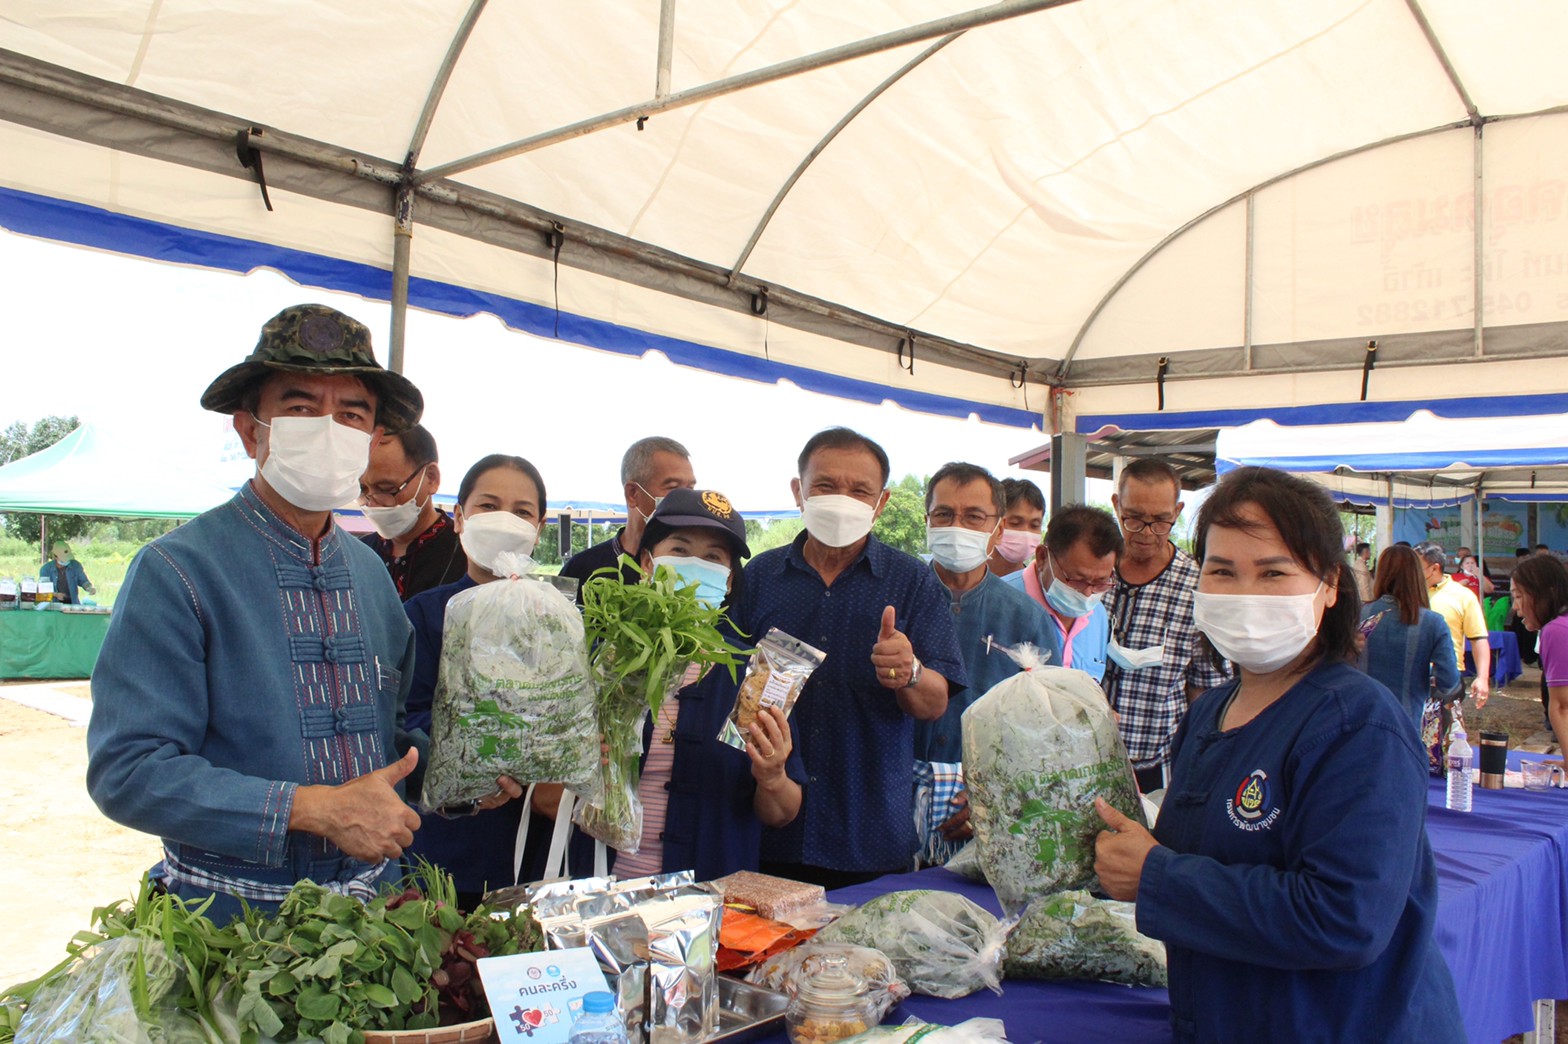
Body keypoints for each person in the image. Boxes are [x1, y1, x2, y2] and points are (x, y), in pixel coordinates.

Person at [1092, 466, 1463, 1043]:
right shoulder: (1209, 713)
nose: (1245, 595)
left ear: (1330, 585)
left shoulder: (1358, 724)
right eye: (1222, 571)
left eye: (1273, 573)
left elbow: (1344, 918)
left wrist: (1158, 877)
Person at [87, 304, 425, 922]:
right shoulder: (177, 571)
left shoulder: (371, 574)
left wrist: (472, 771)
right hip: (229, 928)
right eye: (301, 409)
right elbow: (128, 771)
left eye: (351, 414)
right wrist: (313, 808)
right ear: (250, 431)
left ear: (372, 439)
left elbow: (391, 734)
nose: (329, 428)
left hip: (376, 919)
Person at [737, 427, 965, 889]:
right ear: (798, 491)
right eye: (825, 486)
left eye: (860, 490)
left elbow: (935, 703)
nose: (843, 499)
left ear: (880, 503)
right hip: (768, 828)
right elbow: (728, 689)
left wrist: (910, 672)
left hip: (869, 832)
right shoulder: (760, 576)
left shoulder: (911, 582)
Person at [611, 488, 805, 880]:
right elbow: (550, 799)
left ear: (730, 580)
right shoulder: (608, 660)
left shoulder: (756, 675)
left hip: (711, 905)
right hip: (604, 892)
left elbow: (783, 813)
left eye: (713, 557)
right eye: (679, 551)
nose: (695, 565)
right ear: (648, 563)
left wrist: (772, 777)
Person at [400, 455, 556, 908]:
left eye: (522, 511)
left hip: (539, 857)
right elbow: (407, 719)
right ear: (459, 518)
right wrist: (495, 749)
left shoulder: (560, 619)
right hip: (447, 856)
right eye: (489, 506)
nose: (506, 520)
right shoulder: (424, 616)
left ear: (539, 528)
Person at [913, 463, 1056, 856]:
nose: (956, 526)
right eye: (944, 514)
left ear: (996, 528)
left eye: (974, 516)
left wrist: (995, 799)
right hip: (893, 801)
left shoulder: (1027, 618)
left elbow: (1045, 733)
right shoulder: (899, 601)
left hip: (985, 816)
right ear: (927, 521)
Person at [1102, 459, 1231, 792]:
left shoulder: (1198, 584)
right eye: (1132, 519)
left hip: (1155, 767)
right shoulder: (1092, 569)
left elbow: (1204, 690)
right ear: (1116, 505)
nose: (1146, 533)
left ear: (1177, 511)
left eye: (1160, 521)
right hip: (1080, 758)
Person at [560, 436, 695, 591]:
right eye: (673, 488)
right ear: (632, 494)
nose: (686, 499)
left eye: (690, 489)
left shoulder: (697, 571)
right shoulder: (581, 569)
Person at [1007, 505, 1120, 684]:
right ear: (1043, 557)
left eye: (1100, 582)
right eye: (1077, 579)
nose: (1087, 593)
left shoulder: (1097, 614)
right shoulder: (999, 604)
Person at [359, 425, 467, 599]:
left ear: (431, 478)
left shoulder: (467, 555)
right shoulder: (357, 554)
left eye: (387, 489)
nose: (372, 503)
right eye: (361, 490)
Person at [1359, 545, 1460, 728]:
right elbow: (1449, 682)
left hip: (1359, 722)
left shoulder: (1357, 616)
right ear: (1416, 576)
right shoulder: (1433, 623)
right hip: (1406, 724)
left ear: (1380, 574)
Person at [1415, 542, 1490, 708]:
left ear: (1434, 568)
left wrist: (1482, 677)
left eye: (1417, 566)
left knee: (1444, 730)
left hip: (1445, 677)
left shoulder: (1463, 596)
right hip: (1410, 673)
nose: (1412, 571)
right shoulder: (1407, 593)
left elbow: (1478, 638)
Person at [1509, 554, 1568, 764]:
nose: (1515, 608)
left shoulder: (1556, 630)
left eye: (1518, 596)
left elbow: (1562, 706)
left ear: (1545, 594)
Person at [986, 477, 1045, 578]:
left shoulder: (1039, 587)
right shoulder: (964, 580)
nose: (1026, 533)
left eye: (1034, 525)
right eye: (1015, 523)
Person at [39, 540, 95, 604]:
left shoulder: (75, 566)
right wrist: (56, 595)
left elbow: (83, 581)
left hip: (72, 603)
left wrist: (89, 588)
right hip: (53, 604)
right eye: (63, 559)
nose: (66, 561)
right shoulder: (46, 569)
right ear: (55, 556)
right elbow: (43, 590)